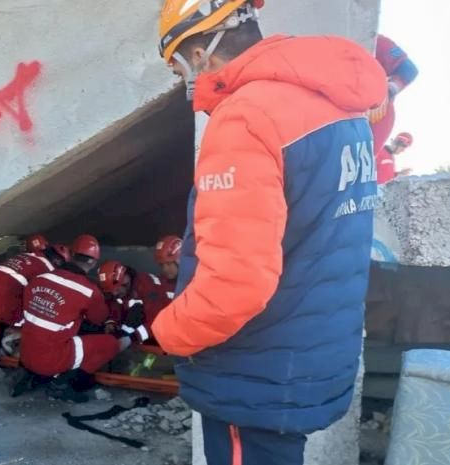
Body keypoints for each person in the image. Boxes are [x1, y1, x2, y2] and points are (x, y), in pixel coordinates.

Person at [154, 1, 384, 464]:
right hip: (310, 354)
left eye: (178, 61)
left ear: (204, 48)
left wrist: (169, 332)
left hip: (255, 369)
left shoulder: (245, 117)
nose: (182, 77)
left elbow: (236, 284)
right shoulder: (340, 106)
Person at [18, 235, 136, 402]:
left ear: (71, 255)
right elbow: (99, 320)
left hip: (25, 354)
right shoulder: (87, 291)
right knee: (110, 343)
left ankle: (32, 376)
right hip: (50, 360)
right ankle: (62, 385)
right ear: (94, 263)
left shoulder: (39, 279)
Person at [0, 242, 70, 376]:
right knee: (39, 322)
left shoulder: (26, 257)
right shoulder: (47, 269)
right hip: (1, 304)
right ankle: (27, 364)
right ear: (58, 260)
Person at [369, 35, 418, 165]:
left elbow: (408, 70)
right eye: (401, 143)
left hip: (372, 120)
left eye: (404, 145)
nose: (402, 148)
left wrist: (387, 92)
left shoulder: (373, 39)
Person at [97, 260, 168, 339]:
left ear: (125, 281)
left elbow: (156, 321)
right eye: (111, 291)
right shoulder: (121, 291)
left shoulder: (146, 285)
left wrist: (133, 337)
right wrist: (111, 322)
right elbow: (115, 305)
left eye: (116, 290)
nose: (114, 294)